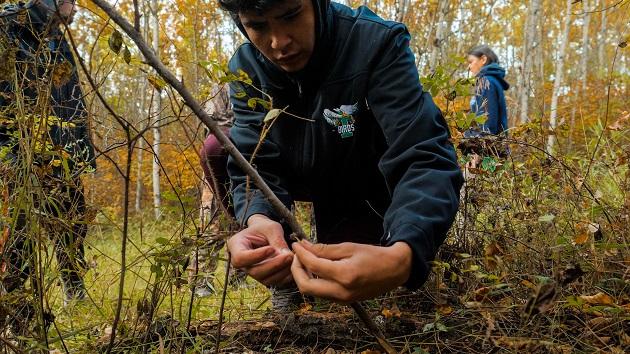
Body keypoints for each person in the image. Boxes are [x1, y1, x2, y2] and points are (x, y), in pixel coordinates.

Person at [205, 0, 463, 305]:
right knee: (216, 148)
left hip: (362, 176)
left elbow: (423, 153)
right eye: (258, 26)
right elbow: (252, 155)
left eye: (290, 15)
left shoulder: (375, 43)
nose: (279, 43)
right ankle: (285, 275)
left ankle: (372, 239)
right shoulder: (246, 67)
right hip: (297, 173)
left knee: (359, 295)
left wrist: (404, 253)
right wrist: (259, 218)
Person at [0, 0, 95, 303]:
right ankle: (15, 301)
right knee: (19, 228)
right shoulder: (9, 25)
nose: (76, 7)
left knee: (71, 218)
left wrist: (81, 152)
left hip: (61, 150)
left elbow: (72, 97)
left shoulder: (56, 37)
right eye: (71, 0)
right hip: (17, 149)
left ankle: (74, 288)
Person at [464, 45, 510, 138]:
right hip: (494, 146)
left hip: (488, 148)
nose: (469, 67)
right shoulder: (491, 81)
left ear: (483, 59)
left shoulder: (486, 82)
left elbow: (488, 126)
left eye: (471, 62)